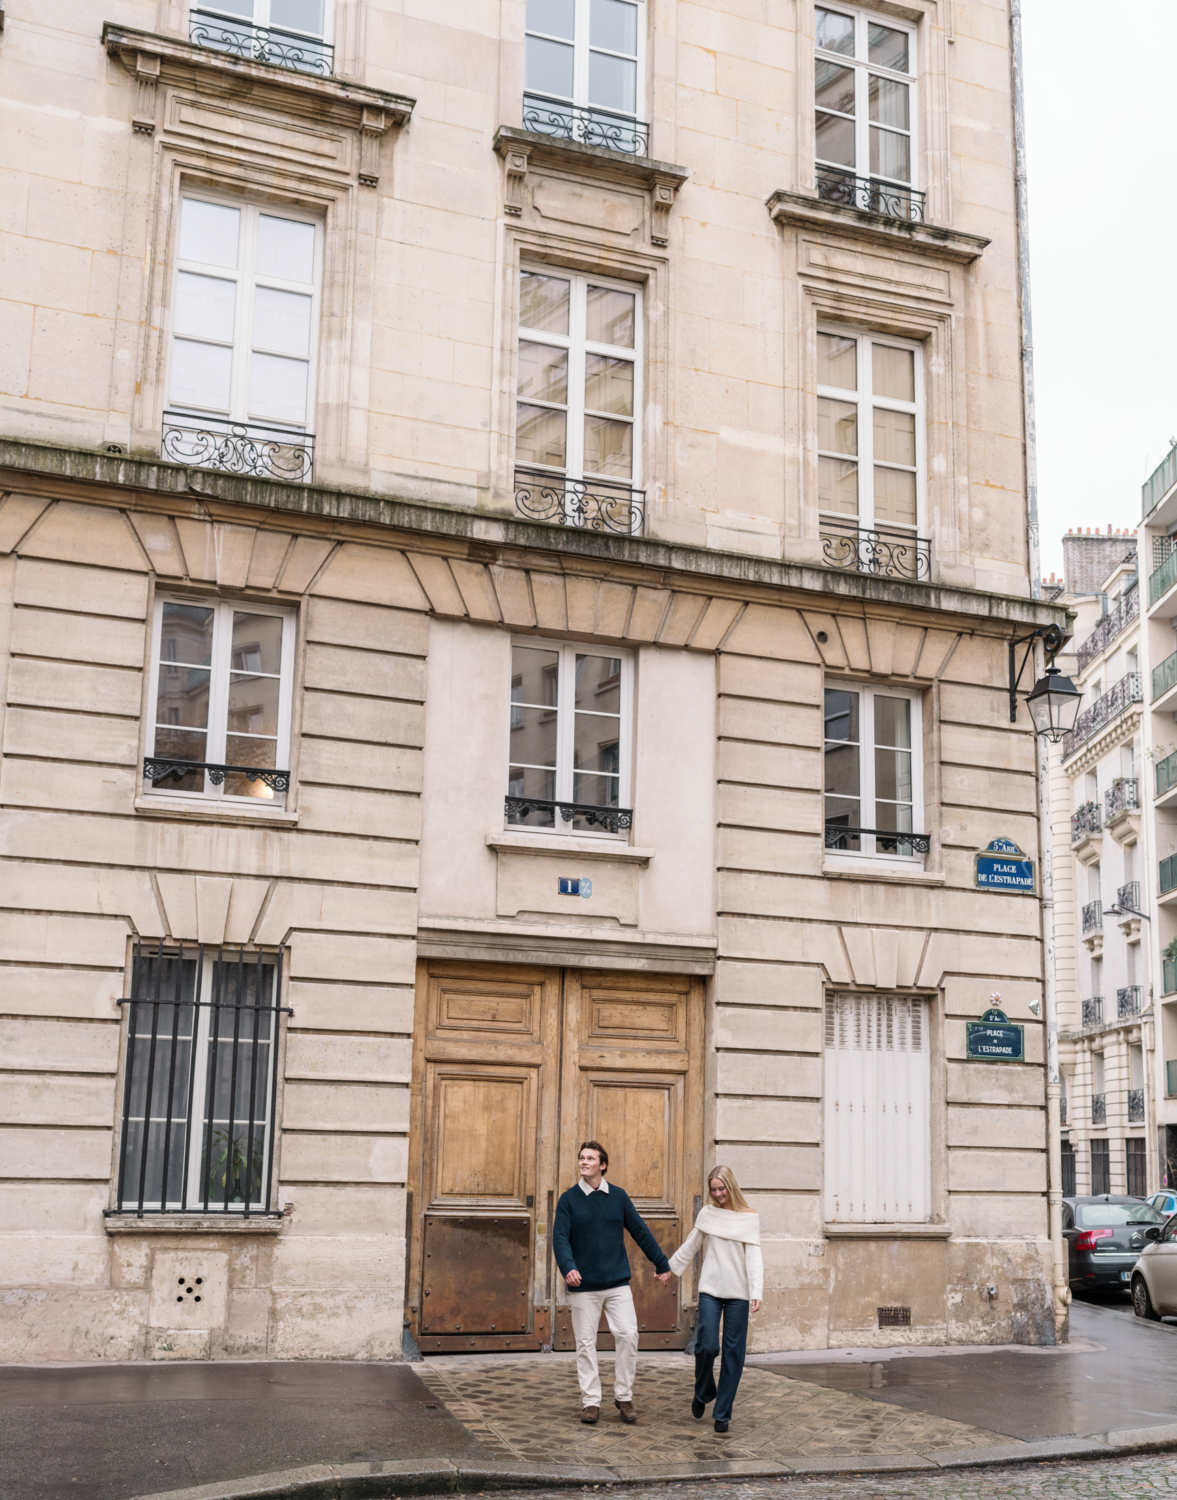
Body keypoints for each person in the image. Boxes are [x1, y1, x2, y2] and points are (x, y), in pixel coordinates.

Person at [552, 1140, 672, 1426]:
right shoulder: (568, 1200)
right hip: (584, 1286)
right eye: (581, 1158)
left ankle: (624, 1395)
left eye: (590, 1158)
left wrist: (661, 1262)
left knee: (629, 1334)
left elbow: (640, 1231)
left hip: (617, 1283)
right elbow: (560, 1239)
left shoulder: (617, 1197)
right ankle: (591, 1402)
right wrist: (568, 1267)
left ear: (602, 1165)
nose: (584, 1162)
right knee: (585, 1344)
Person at [667, 1165, 762, 1433]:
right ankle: (702, 1391)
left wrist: (757, 1291)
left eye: (722, 1188)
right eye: (714, 1189)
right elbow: (691, 1244)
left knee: (734, 1353)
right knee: (706, 1345)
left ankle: (723, 1414)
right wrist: (669, 1269)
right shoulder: (708, 1214)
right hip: (710, 1289)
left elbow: (754, 1258)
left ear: (731, 1187)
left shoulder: (749, 1217)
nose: (718, 1193)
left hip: (739, 1294)